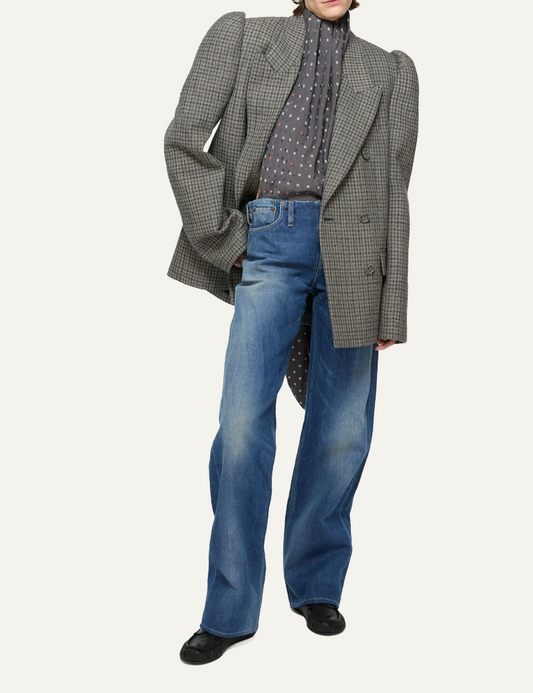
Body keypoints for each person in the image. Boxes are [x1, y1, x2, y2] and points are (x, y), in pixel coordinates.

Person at [164, 0, 419, 665]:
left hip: (355, 258)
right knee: (241, 424)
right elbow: (184, 138)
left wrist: (391, 302)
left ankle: (316, 584)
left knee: (342, 430)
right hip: (267, 244)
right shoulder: (242, 38)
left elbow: (393, 189)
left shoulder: (390, 70)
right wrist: (227, 239)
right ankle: (229, 610)